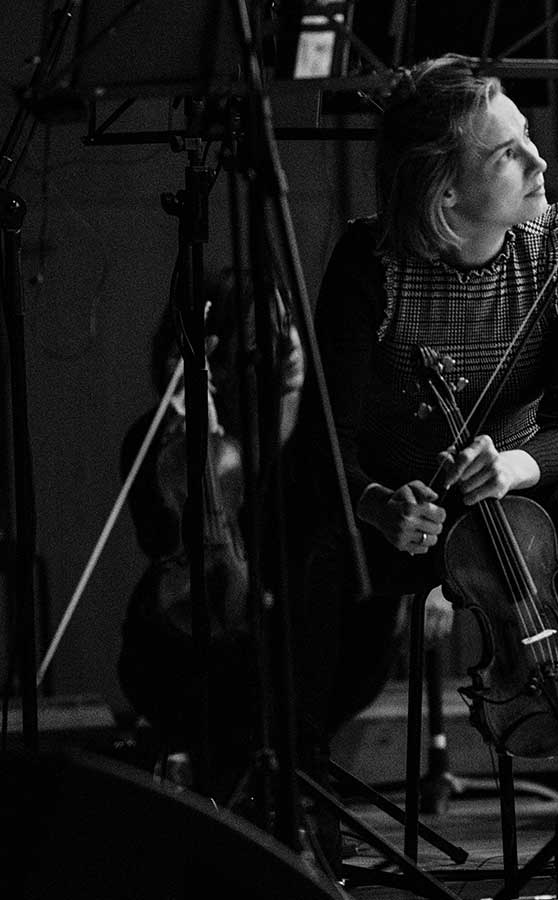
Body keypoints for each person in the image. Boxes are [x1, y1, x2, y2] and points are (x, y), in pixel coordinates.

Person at [292, 54, 558, 896]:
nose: (538, 161)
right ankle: (299, 795)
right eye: (507, 153)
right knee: (310, 535)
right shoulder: (369, 263)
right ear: (445, 193)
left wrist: (511, 464)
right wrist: (377, 503)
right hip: (401, 504)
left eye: (528, 138)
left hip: (519, 487)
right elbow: (326, 437)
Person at [117, 272, 303, 800]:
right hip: (173, 629)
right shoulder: (158, 434)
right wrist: (180, 416)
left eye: (286, 328)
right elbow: (157, 539)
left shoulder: (273, 429)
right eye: (263, 332)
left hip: (251, 608)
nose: (284, 345)